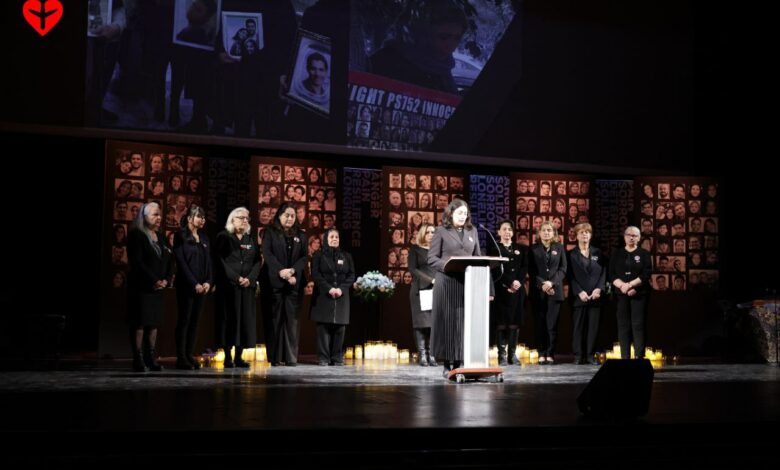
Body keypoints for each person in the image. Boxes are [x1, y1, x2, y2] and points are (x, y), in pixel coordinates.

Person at [428, 199, 489, 377]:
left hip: (467, 283)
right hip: (446, 282)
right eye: (459, 213)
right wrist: (447, 265)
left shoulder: (473, 231)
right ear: (450, 213)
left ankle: (461, 360)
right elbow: (432, 258)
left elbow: (478, 257)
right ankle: (447, 362)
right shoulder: (441, 231)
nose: (463, 216)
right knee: (448, 322)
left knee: (463, 322)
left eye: (465, 213)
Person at [369, 1, 467, 94]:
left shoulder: (443, 71)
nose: (451, 45)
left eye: (457, 38)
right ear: (423, 33)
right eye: (443, 37)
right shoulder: (387, 61)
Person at [126, 202, 173, 372]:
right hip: (142, 287)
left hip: (158, 288)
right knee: (139, 323)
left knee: (153, 323)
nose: (158, 217)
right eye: (154, 214)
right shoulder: (136, 235)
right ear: (144, 217)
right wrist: (154, 279)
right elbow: (137, 262)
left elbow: (170, 260)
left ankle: (150, 358)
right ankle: (137, 358)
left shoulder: (161, 237)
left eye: (159, 214)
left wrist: (166, 279)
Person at [261, 203, 308, 366]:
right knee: (274, 321)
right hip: (274, 282)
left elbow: (304, 258)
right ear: (279, 216)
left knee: (292, 322)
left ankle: (290, 358)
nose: (289, 218)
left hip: (294, 283)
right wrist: (281, 271)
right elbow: (267, 254)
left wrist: (293, 271)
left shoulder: (301, 235)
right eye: (286, 215)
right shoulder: (270, 232)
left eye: (292, 216)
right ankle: (274, 357)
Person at [216, 207, 261, 368]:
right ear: (232, 220)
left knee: (244, 321)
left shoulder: (250, 239)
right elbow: (220, 260)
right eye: (241, 218)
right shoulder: (224, 237)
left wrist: (250, 278)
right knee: (230, 320)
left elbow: (257, 261)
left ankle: (239, 357)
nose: (245, 220)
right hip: (230, 287)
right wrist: (236, 277)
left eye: (247, 218)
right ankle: (228, 356)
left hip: (247, 288)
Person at [173, 205, 212, 370]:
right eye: (199, 217)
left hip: (202, 288)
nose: (202, 220)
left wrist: (208, 281)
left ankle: (189, 354)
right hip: (186, 286)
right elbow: (181, 262)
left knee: (195, 322)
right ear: (189, 218)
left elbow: (209, 262)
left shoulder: (204, 238)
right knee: (185, 320)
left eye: (203, 217)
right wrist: (194, 283)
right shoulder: (180, 236)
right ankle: (181, 357)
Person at [310, 228, 355, 366]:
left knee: (340, 328)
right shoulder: (318, 255)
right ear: (326, 240)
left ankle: (336, 357)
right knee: (323, 327)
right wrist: (329, 289)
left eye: (337, 237)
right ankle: (324, 357)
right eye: (331, 237)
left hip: (342, 296)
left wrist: (341, 289)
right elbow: (316, 275)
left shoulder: (346, 256)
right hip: (324, 295)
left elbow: (351, 275)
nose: (335, 239)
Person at [487, 220, 528, 366]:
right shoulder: (494, 249)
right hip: (501, 290)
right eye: (504, 229)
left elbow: (524, 268)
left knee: (514, 323)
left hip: (517, 292)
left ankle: (512, 355)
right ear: (499, 232)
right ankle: (502, 356)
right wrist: (509, 282)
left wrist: (518, 282)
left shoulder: (521, 249)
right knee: (501, 324)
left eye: (510, 229)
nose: (507, 232)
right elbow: (495, 269)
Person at [609, 226, 652, 359]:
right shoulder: (616, 254)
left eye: (634, 235)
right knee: (623, 326)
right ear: (624, 237)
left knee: (638, 325)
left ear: (639, 238)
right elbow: (611, 274)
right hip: (621, 295)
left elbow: (646, 274)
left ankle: (639, 357)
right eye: (629, 234)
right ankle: (625, 357)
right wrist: (622, 286)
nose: (631, 237)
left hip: (639, 294)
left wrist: (632, 286)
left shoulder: (644, 254)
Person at [529, 221, 567, 364]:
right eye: (544, 230)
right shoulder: (533, 249)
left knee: (552, 325)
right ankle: (541, 352)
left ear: (554, 233)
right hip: (538, 293)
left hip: (555, 292)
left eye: (549, 230)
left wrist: (551, 283)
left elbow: (563, 269)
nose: (546, 233)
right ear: (539, 233)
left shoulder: (560, 248)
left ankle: (550, 353)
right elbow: (531, 270)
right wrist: (542, 284)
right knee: (540, 324)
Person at [567, 223, 606, 365]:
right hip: (579, 297)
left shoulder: (598, 253)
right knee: (578, 327)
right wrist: (579, 292)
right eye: (582, 232)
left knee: (593, 328)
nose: (585, 235)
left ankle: (590, 355)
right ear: (576, 235)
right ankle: (578, 356)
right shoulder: (571, 254)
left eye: (587, 232)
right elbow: (569, 276)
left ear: (591, 235)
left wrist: (599, 289)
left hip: (595, 297)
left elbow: (603, 273)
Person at [409, 223, 438, 366]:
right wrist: (430, 279)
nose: (431, 234)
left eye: (433, 232)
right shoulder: (415, 249)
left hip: (436, 290)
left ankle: (432, 354)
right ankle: (422, 355)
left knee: (433, 324)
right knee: (422, 324)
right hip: (420, 290)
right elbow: (413, 269)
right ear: (423, 234)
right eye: (428, 232)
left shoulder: (438, 251)